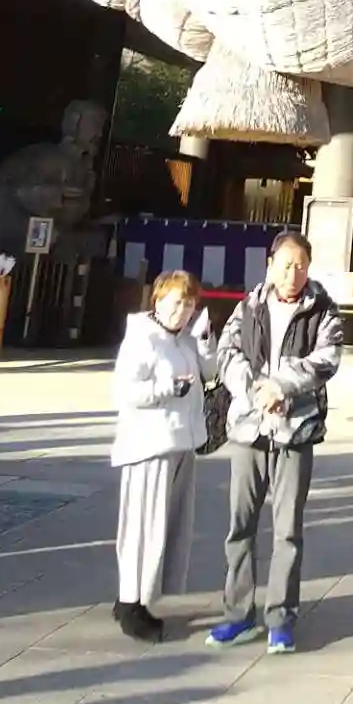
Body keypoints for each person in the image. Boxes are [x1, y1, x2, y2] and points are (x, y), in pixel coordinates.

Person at [206, 229, 344, 655]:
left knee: (288, 530)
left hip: (295, 430)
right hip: (250, 428)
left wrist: (281, 387)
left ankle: (281, 617)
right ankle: (237, 612)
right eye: (286, 264)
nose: (293, 273)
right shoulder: (248, 306)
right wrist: (256, 392)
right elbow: (227, 353)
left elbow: (327, 359)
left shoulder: (323, 310)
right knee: (240, 525)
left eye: (301, 265)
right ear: (270, 265)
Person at [110, 268, 216, 641]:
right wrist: (166, 388)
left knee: (169, 527)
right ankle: (131, 602)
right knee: (143, 526)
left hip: (182, 442)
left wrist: (205, 342)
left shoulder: (184, 339)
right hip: (149, 445)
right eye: (175, 302)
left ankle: (143, 596)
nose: (181, 311)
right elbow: (125, 391)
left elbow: (209, 372)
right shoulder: (143, 337)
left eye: (188, 304)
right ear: (157, 300)